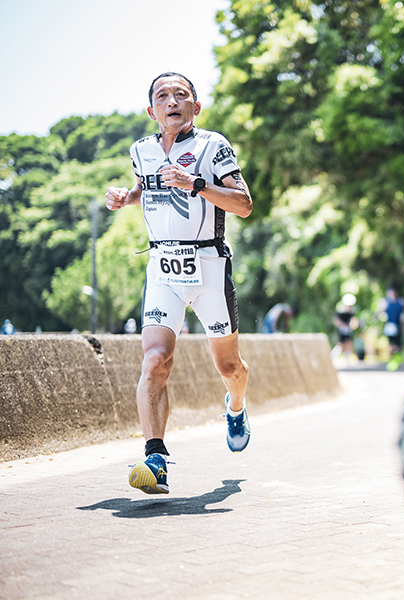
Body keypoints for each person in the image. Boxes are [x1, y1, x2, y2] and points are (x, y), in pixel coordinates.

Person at [105, 72, 253, 495]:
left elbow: (243, 204)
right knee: (155, 360)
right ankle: (156, 458)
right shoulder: (141, 151)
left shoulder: (213, 145)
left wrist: (198, 184)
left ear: (196, 106)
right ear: (151, 110)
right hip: (162, 268)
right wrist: (126, 197)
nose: (172, 101)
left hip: (208, 265)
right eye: (163, 96)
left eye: (181, 95)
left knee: (229, 368)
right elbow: (146, 188)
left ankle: (236, 406)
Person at [376, 286, 404, 357]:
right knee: (391, 342)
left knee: (399, 342)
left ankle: (398, 357)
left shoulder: (401, 301)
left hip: (398, 324)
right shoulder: (385, 302)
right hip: (390, 324)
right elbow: (380, 311)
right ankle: (391, 357)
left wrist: (403, 322)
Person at [331, 294, 359, 359]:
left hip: (348, 331)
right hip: (342, 331)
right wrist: (343, 325)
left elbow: (354, 322)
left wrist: (352, 325)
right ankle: (333, 356)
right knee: (341, 344)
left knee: (348, 344)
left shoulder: (351, 313)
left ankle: (347, 358)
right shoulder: (340, 313)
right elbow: (336, 321)